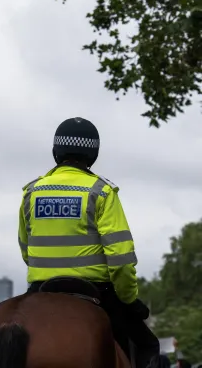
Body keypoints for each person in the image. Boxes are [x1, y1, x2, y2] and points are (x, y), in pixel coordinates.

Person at [18, 117, 160, 368]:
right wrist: (128, 299)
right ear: (93, 155)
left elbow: (25, 247)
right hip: (97, 292)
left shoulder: (32, 192)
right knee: (148, 345)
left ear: (55, 152)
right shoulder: (101, 192)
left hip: (40, 289)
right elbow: (121, 259)